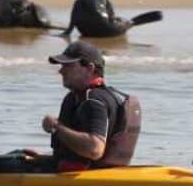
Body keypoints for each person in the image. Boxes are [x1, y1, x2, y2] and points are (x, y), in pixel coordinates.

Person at [23, 41, 142, 172]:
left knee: (1, 164)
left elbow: (94, 149)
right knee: (20, 156)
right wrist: (43, 158)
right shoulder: (108, 97)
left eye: (68, 66)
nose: (61, 71)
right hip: (100, 173)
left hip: (80, 177)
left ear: (90, 68)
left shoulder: (92, 100)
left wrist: (56, 127)